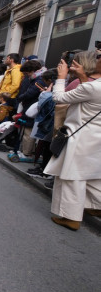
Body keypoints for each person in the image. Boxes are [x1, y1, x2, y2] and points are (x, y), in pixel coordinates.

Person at [44, 50, 101, 231]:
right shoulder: (94, 86)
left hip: (79, 136)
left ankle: (71, 217)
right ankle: (95, 205)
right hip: (95, 137)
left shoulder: (92, 87)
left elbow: (58, 98)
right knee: (92, 176)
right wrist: (82, 76)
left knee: (71, 176)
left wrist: (61, 78)